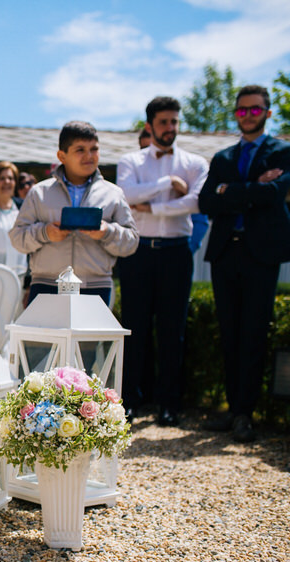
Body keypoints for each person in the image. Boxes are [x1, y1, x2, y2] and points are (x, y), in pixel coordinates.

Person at [198, 85, 290, 442]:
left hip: (260, 255)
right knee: (229, 332)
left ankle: (245, 414)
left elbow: (275, 194)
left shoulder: (283, 151)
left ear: (267, 113)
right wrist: (250, 189)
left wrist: (230, 191)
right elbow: (206, 202)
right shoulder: (222, 157)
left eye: (255, 110)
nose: (248, 115)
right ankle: (232, 408)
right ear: (235, 114)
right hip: (225, 253)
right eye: (242, 110)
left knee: (253, 333)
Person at [117, 97, 209, 425]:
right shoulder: (130, 160)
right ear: (149, 125)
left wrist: (152, 206)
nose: (170, 128)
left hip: (176, 250)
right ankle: (129, 400)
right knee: (135, 326)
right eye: (163, 122)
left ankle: (169, 404)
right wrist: (167, 184)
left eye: (174, 122)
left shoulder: (196, 162)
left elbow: (196, 203)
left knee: (173, 329)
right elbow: (126, 195)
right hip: (138, 251)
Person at [10, 122, 138, 306]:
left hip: (97, 288)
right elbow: (17, 238)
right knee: (46, 337)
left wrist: (106, 232)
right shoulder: (39, 192)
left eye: (94, 149)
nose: (89, 156)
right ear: (62, 156)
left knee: (91, 337)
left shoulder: (114, 193)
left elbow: (131, 242)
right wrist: (45, 233)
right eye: (80, 150)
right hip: (46, 286)